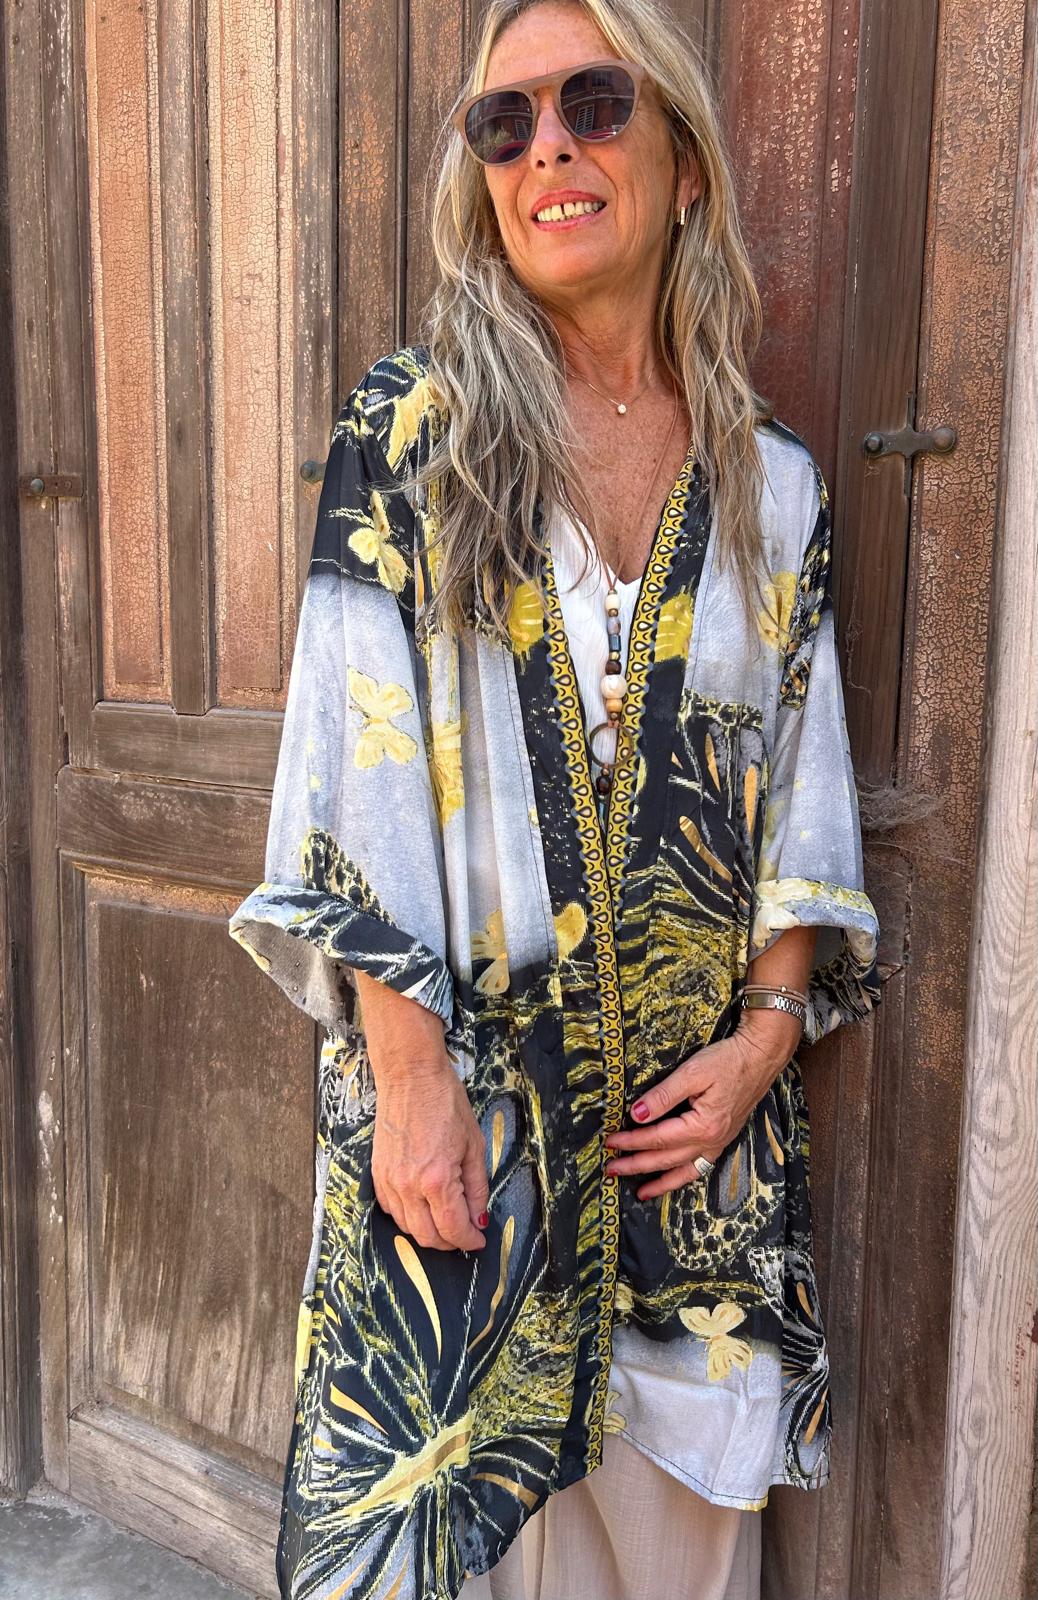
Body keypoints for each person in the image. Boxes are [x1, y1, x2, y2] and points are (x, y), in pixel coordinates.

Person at [227, 1, 883, 1596]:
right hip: (470, 1126)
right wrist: (409, 1084)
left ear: (682, 166)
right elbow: (357, 758)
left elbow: (801, 772)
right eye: (503, 122)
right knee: (463, 1543)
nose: (547, 150)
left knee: (675, 1555)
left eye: (593, 103)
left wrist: (765, 1039)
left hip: (685, 1160)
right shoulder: (416, 432)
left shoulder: (770, 481)